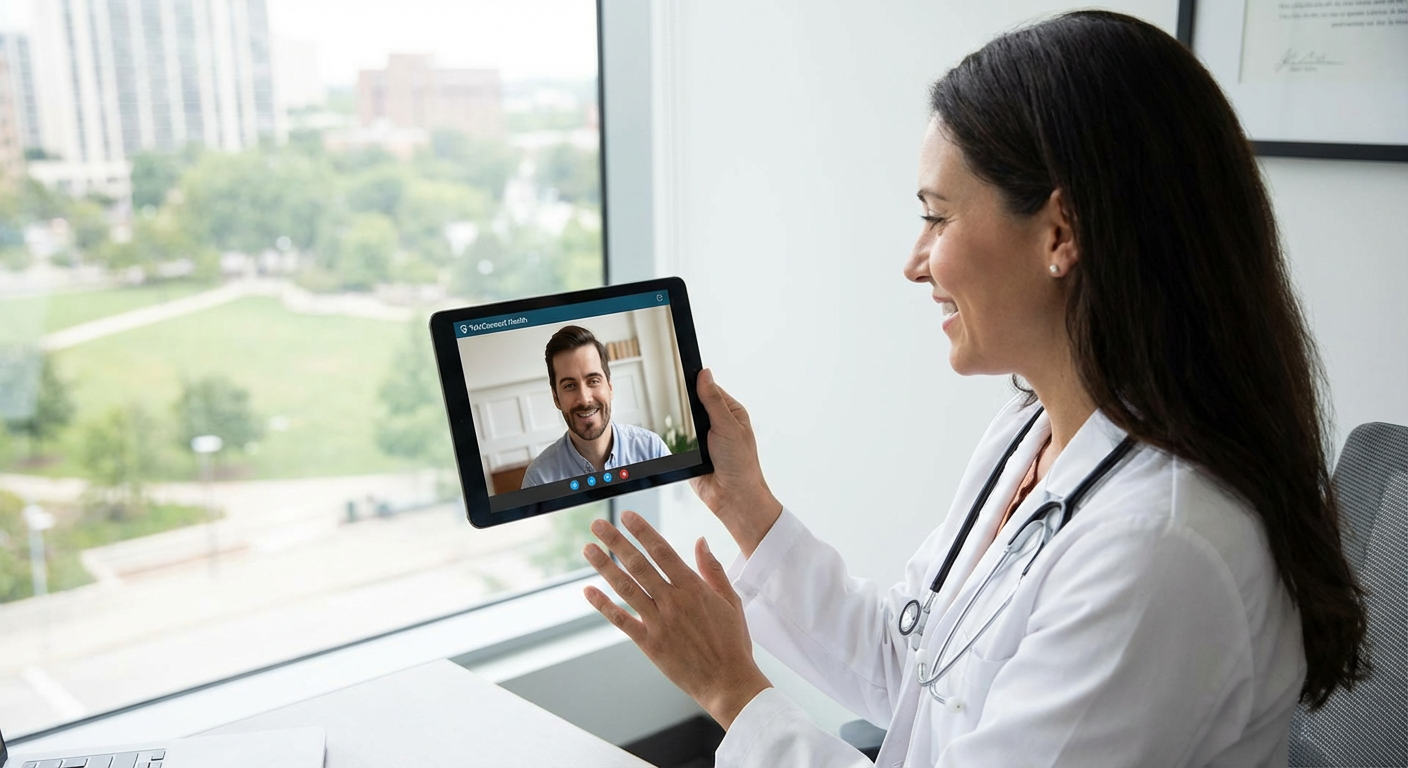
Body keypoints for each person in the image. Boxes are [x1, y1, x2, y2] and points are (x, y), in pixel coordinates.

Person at [578, 10, 1368, 768]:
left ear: (1061, 233)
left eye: (937, 217)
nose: (915, 261)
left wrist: (732, 691)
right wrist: (745, 505)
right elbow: (916, 668)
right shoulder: (1036, 434)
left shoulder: (1159, 548)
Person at [521, 325, 669, 488]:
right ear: (556, 398)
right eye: (570, 385)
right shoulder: (538, 479)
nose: (584, 399)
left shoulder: (651, 449)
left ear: (610, 387)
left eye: (593, 381)